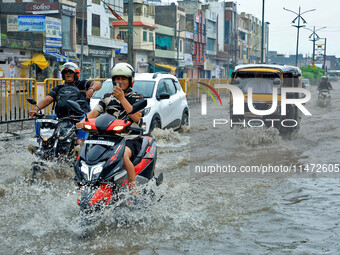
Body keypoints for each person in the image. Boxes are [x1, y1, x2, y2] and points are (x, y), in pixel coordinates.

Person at [76, 63, 143, 197]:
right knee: (83, 153)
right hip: (106, 138)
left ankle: (133, 192)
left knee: (123, 156)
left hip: (129, 138)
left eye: (124, 78)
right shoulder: (106, 97)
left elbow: (136, 117)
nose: (120, 81)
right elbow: (95, 112)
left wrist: (122, 99)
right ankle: (82, 186)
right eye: (117, 78)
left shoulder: (137, 97)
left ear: (130, 81)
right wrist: (83, 122)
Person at [29, 62, 102, 146]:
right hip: (62, 117)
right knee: (42, 119)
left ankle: (79, 146)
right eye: (65, 72)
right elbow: (48, 99)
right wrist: (36, 109)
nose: (68, 74)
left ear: (76, 73)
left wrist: (92, 89)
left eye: (70, 72)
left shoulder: (83, 84)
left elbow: (98, 84)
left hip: (80, 116)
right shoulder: (59, 88)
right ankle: (41, 144)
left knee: (84, 121)